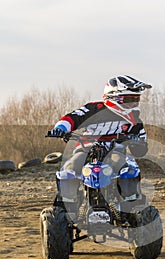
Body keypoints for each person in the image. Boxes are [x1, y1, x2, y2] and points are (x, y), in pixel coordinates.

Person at [49, 75, 152, 218]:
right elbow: (73, 118)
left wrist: (137, 142)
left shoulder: (135, 119)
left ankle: (132, 207)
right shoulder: (94, 109)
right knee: (70, 169)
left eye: (136, 99)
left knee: (127, 169)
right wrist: (61, 128)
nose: (133, 104)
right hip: (86, 149)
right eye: (129, 100)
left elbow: (141, 150)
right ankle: (67, 207)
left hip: (116, 151)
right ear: (114, 98)